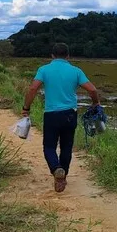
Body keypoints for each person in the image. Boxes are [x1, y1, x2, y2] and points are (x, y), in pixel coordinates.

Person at [22, 43, 100, 192]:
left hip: (51, 114)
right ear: (68, 56)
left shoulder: (44, 70)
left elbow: (33, 89)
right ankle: (62, 177)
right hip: (70, 114)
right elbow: (92, 89)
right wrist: (96, 103)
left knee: (49, 146)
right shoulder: (76, 71)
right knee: (66, 146)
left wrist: (26, 108)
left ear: (52, 55)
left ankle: (56, 169)